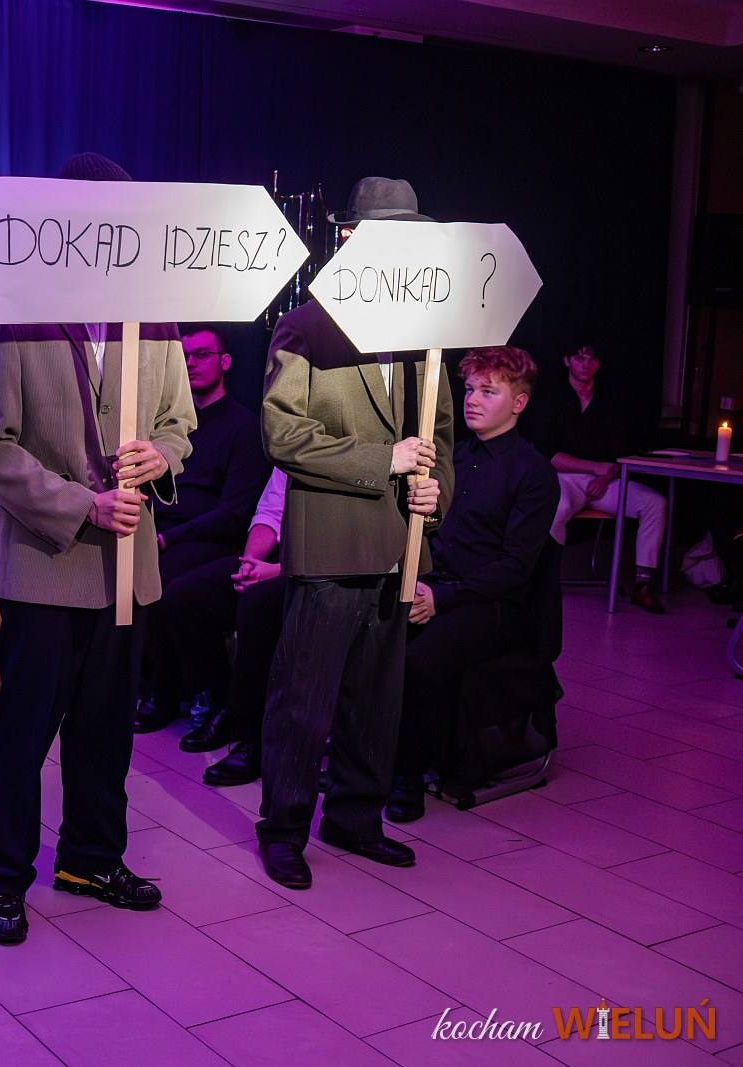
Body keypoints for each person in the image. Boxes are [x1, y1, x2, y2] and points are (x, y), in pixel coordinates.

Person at [0, 152, 195, 945]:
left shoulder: (154, 316)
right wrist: (79, 503)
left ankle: (92, 862)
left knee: (106, 729)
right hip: (45, 562)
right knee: (25, 734)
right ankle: (3, 879)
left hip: (128, 568)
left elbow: (180, 422)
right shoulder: (9, 308)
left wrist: (161, 455)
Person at [256, 176, 454, 891]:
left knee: (376, 699)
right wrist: (383, 460)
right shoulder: (307, 326)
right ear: (349, 238)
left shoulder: (428, 332)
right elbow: (282, 433)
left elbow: (442, 437)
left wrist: (436, 489)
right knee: (304, 699)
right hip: (332, 544)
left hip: (400, 545)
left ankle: (354, 818)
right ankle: (283, 829)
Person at [389, 347, 559, 821]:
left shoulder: (534, 473)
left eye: (488, 391)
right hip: (438, 586)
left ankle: (407, 775)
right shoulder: (454, 456)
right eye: (468, 389)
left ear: (518, 403)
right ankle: (366, 756)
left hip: (495, 605)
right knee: (373, 635)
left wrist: (440, 599)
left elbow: (515, 568)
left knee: (420, 660)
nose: (472, 400)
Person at [134, 324, 268, 732]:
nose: (191, 363)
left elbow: (233, 513)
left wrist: (167, 537)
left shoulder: (244, 426)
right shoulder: (171, 424)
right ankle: (141, 683)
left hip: (210, 538)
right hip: (162, 530)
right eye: (186, 356)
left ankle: (172, 692)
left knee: (164, 582)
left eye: (202, 355)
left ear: (225, 362)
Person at [530, 342, 667, 613]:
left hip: (604, 481)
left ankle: (643, 584)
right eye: (580, 357)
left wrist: (605, 477)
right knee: (556, 508)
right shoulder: (551, 400)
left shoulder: (611, 403)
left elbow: (622, 453)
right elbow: (547, 454)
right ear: (567, 360)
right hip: (565, 478)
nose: (585, 364)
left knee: (655, 503)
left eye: (592, 359)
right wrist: (595, 468)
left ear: (599, 363)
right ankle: (544, 580)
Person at [185, 470, 288, 788]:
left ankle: (253, 736)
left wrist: (277, 570)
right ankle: (220, 702)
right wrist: (250, 562)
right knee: (188, 595)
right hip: (276, 556)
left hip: (320, 566)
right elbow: (271, 511)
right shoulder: (291, 447)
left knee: (258, 604)